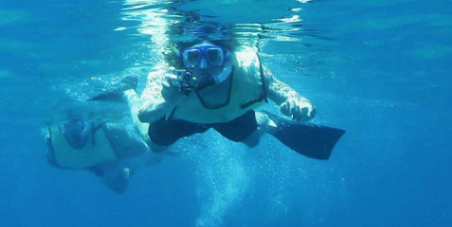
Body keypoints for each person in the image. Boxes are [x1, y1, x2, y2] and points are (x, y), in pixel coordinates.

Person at [130, 21, 344, 160]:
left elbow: (287, 94)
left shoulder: (247, 69)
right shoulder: (167, 75)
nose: (203, 67)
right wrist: (167, 101)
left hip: (229, 113)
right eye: (194, 58)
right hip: (180, 117)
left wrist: (303, 106)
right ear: (182, 60)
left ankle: (264, 120)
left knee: (252, 142)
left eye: (213, 56)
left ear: (227, 56)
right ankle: (127, 94)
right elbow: (144, 113)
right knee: (153, 146)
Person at [46, 85, 162, 194]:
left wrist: (115, 163)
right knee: (118, 185)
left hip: (119, 154)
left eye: (78, 124)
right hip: (109, 157)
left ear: (88, 124)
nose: (72, 131)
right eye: (66, 125)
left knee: (121, 181)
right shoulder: (54, 149)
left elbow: (143, 149)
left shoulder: (112, 132)